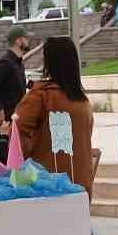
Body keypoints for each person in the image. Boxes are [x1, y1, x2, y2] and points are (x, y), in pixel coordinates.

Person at [15, 35, 95, 196]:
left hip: (47, 188)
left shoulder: (40, 96)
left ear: (48, 62)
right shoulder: (83, 101)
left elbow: (17, 135)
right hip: (80, 188)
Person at [0, 25, 32, 162]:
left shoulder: (17, 64)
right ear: (18, 41)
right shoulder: (6, 63)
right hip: (8, 121)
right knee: (10, 160)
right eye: (26, 38)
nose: (28, 41)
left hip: (16, 118)